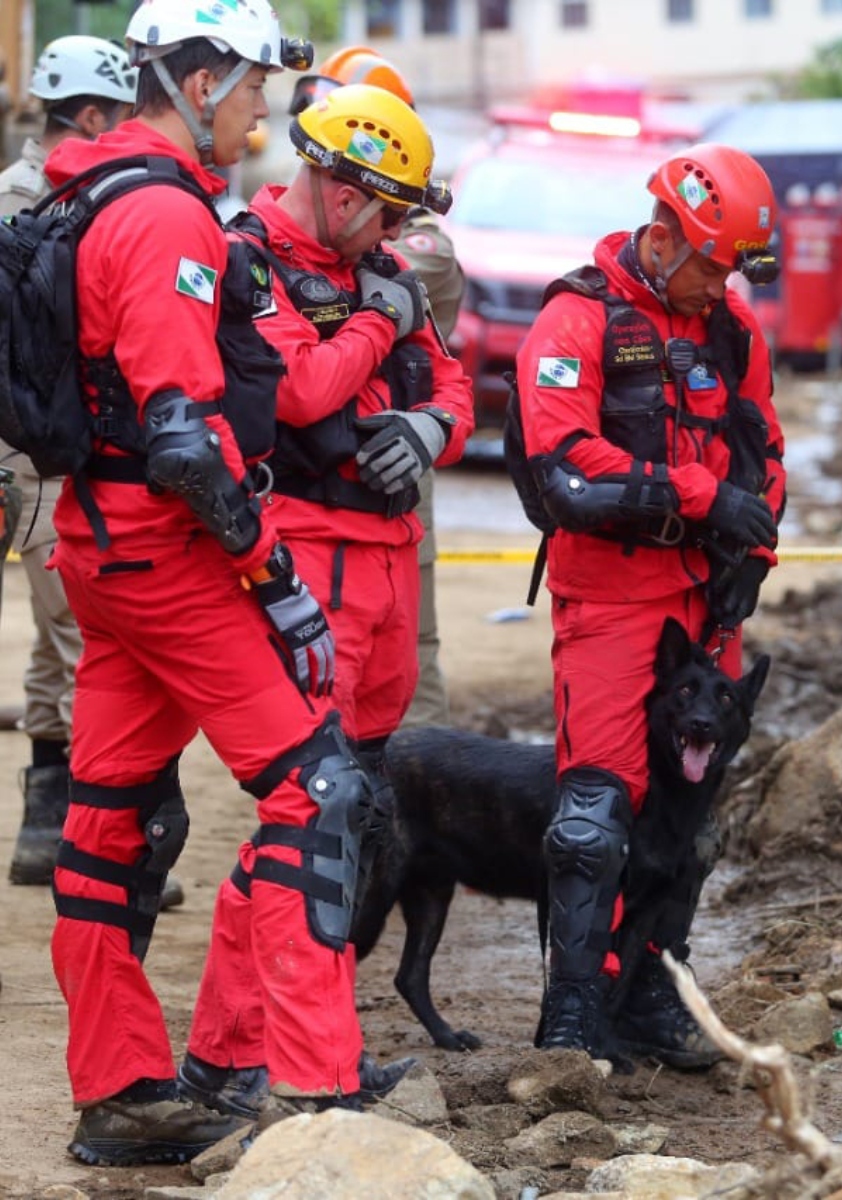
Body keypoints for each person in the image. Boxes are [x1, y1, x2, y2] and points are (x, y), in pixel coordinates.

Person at [42, 0, 401, 1166]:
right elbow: (187, 441)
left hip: (102, 550)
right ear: (199, 84)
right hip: (168, 551)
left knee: (105, 827)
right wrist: (274, 576)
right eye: (253, 88)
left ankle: (125, 1096)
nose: (264, 112)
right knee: (318, 794)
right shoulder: (164, 215)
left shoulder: (95, 188)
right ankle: (313, 1097)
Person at [176, 82, 475, 1107]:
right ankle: (250, 1055)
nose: (398, 235)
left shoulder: (380, 269)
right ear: (342, 189)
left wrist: (430, 432)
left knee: (348, 817)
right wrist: (381, 327)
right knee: (311, 817)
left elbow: (455, 381)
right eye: (390, 210)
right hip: (310, 561)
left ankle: (249, 1053)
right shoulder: (246, 257)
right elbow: (298, 388)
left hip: (387, 562)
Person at [514, 143, 787, 1064]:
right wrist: (704, 500)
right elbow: (562, 457)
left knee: (690, 820)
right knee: (596, 816)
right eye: (713, 263)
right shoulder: (577, 316)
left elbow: (767, 453)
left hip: (708, 599)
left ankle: (651, 999)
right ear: (665, 236)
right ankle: (573, 1017)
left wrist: (756, 546)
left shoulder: (732, 329)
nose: (721, 285)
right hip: (612, 592)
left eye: (732, 270)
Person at [0, 37, 182, 904]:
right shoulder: (40, 200)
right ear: (97, 115)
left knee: (55, 630)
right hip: (35, 451)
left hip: (44, 445)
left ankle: (45, 825)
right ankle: (91, 832)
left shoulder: (37, 193)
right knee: (77, 633)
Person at [288, 48, 466, 726]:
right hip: (311, 496)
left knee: (406, 663)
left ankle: (411, 805)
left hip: (394, 475)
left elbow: (443, 372)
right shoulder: (292, 240)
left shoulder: (412, 244)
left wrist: (436, 424)